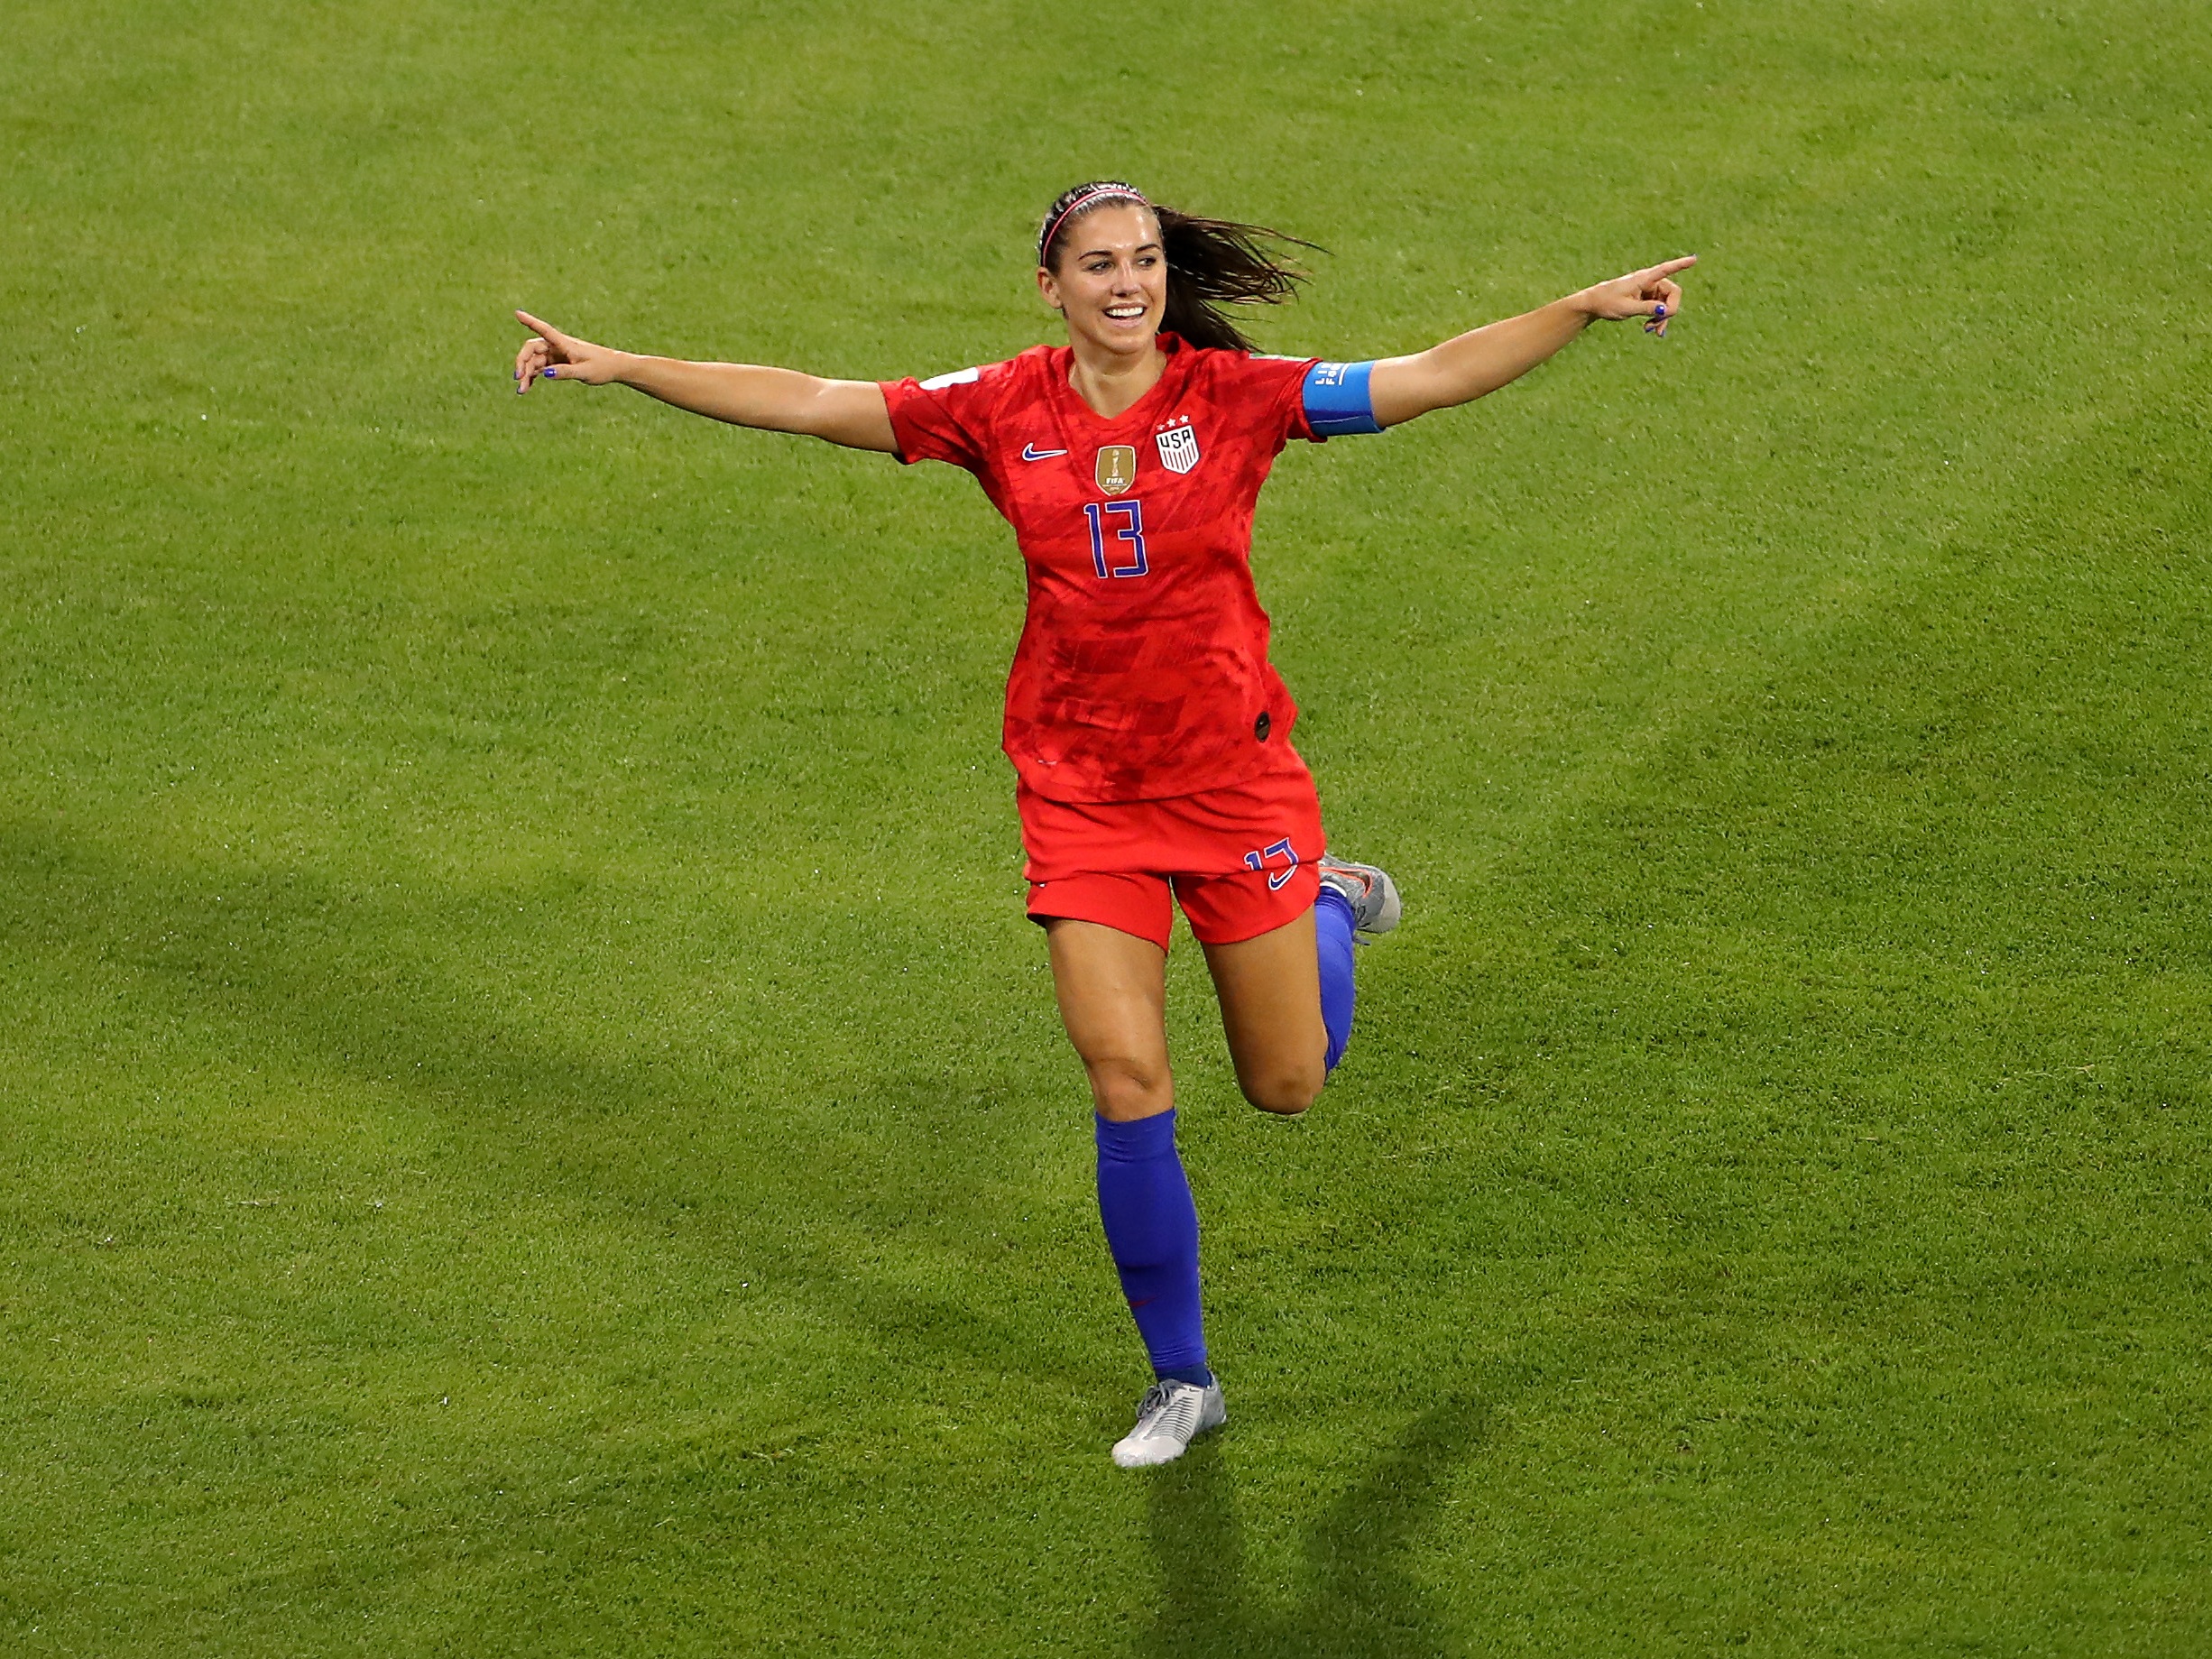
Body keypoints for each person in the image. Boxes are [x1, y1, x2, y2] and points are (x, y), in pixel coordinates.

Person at [512, 180, 1692, 1467]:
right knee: (1127, 1082)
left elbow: (1426, 376)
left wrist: (1576, 310)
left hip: (1233, 791)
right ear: (1053, 286)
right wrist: (623, 365)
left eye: (1142, 262)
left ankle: (1330, 900)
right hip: (1083, 799)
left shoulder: (1239, 401)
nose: (1125, 284)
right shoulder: (998, 406)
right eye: (1097, 266)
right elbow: (810, 400)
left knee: (1286, 1086)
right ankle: (1182, 1381)